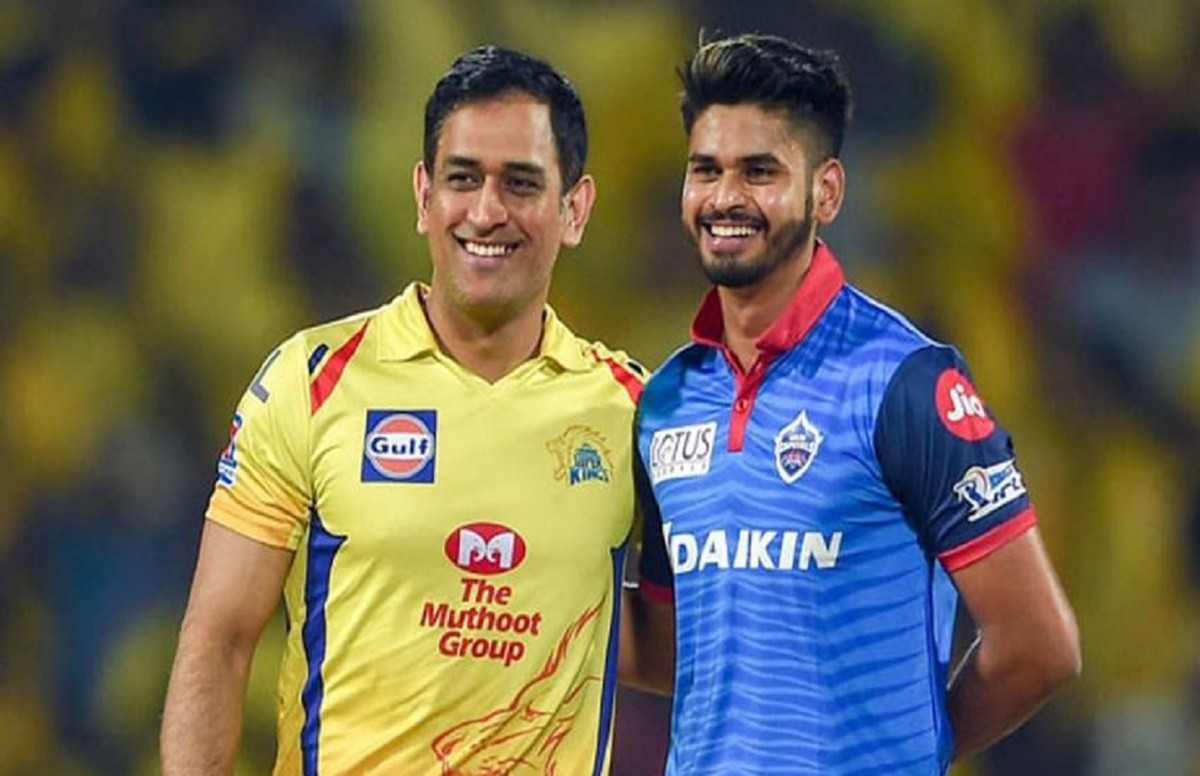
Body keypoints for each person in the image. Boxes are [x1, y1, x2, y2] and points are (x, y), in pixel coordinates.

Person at [160, 45, 647, 775]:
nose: (486, 211)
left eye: (520, 183)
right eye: (463, 178)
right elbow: (219, 638)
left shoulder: (632, 411)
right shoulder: (311, 382)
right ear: (424, 197)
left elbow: (678, 638)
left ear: (573, 209)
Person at [623, 33, 1081, 774]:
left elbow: (1039, 647)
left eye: (759, 171)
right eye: (705, 170)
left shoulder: (903, 382)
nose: (725, 197)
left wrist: (902, 757)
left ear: (826, 192)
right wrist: (520, 595)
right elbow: (684, 649)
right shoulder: (669, 400)